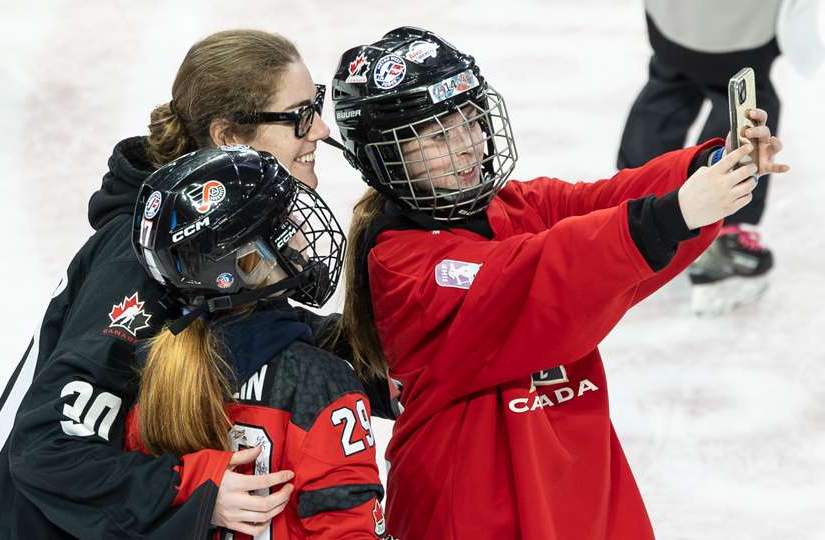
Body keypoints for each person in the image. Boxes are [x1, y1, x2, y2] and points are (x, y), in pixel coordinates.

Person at [330, 27, 788, 539]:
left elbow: (605, 202)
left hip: (574, 483)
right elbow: (539, 273)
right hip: (471, 508)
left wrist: (708, 166)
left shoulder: (512, 206)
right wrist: (671, 216)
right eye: (439, 135)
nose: (466, 147)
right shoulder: (404, 267)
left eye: (470, 122)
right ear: (381, 155)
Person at [0, 29, 348, 539]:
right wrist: (195, 489)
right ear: (228, 137)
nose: (322, 130)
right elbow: (49, 446)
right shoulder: (141, 260)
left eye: (318, 105)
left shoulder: (199, 236)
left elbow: (228, 330)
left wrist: (360, 356)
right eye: (299, 115)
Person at [124, 145, 385, 538]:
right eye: (282, 226)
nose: (299, 234)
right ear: (242, 263)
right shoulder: (321, 381)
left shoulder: (155, 369)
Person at [617, 0, 785, 315]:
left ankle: (632, 206)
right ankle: (724, 233)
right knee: (746, 102)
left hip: (672, 19)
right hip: (739, 29)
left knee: (670, 83)